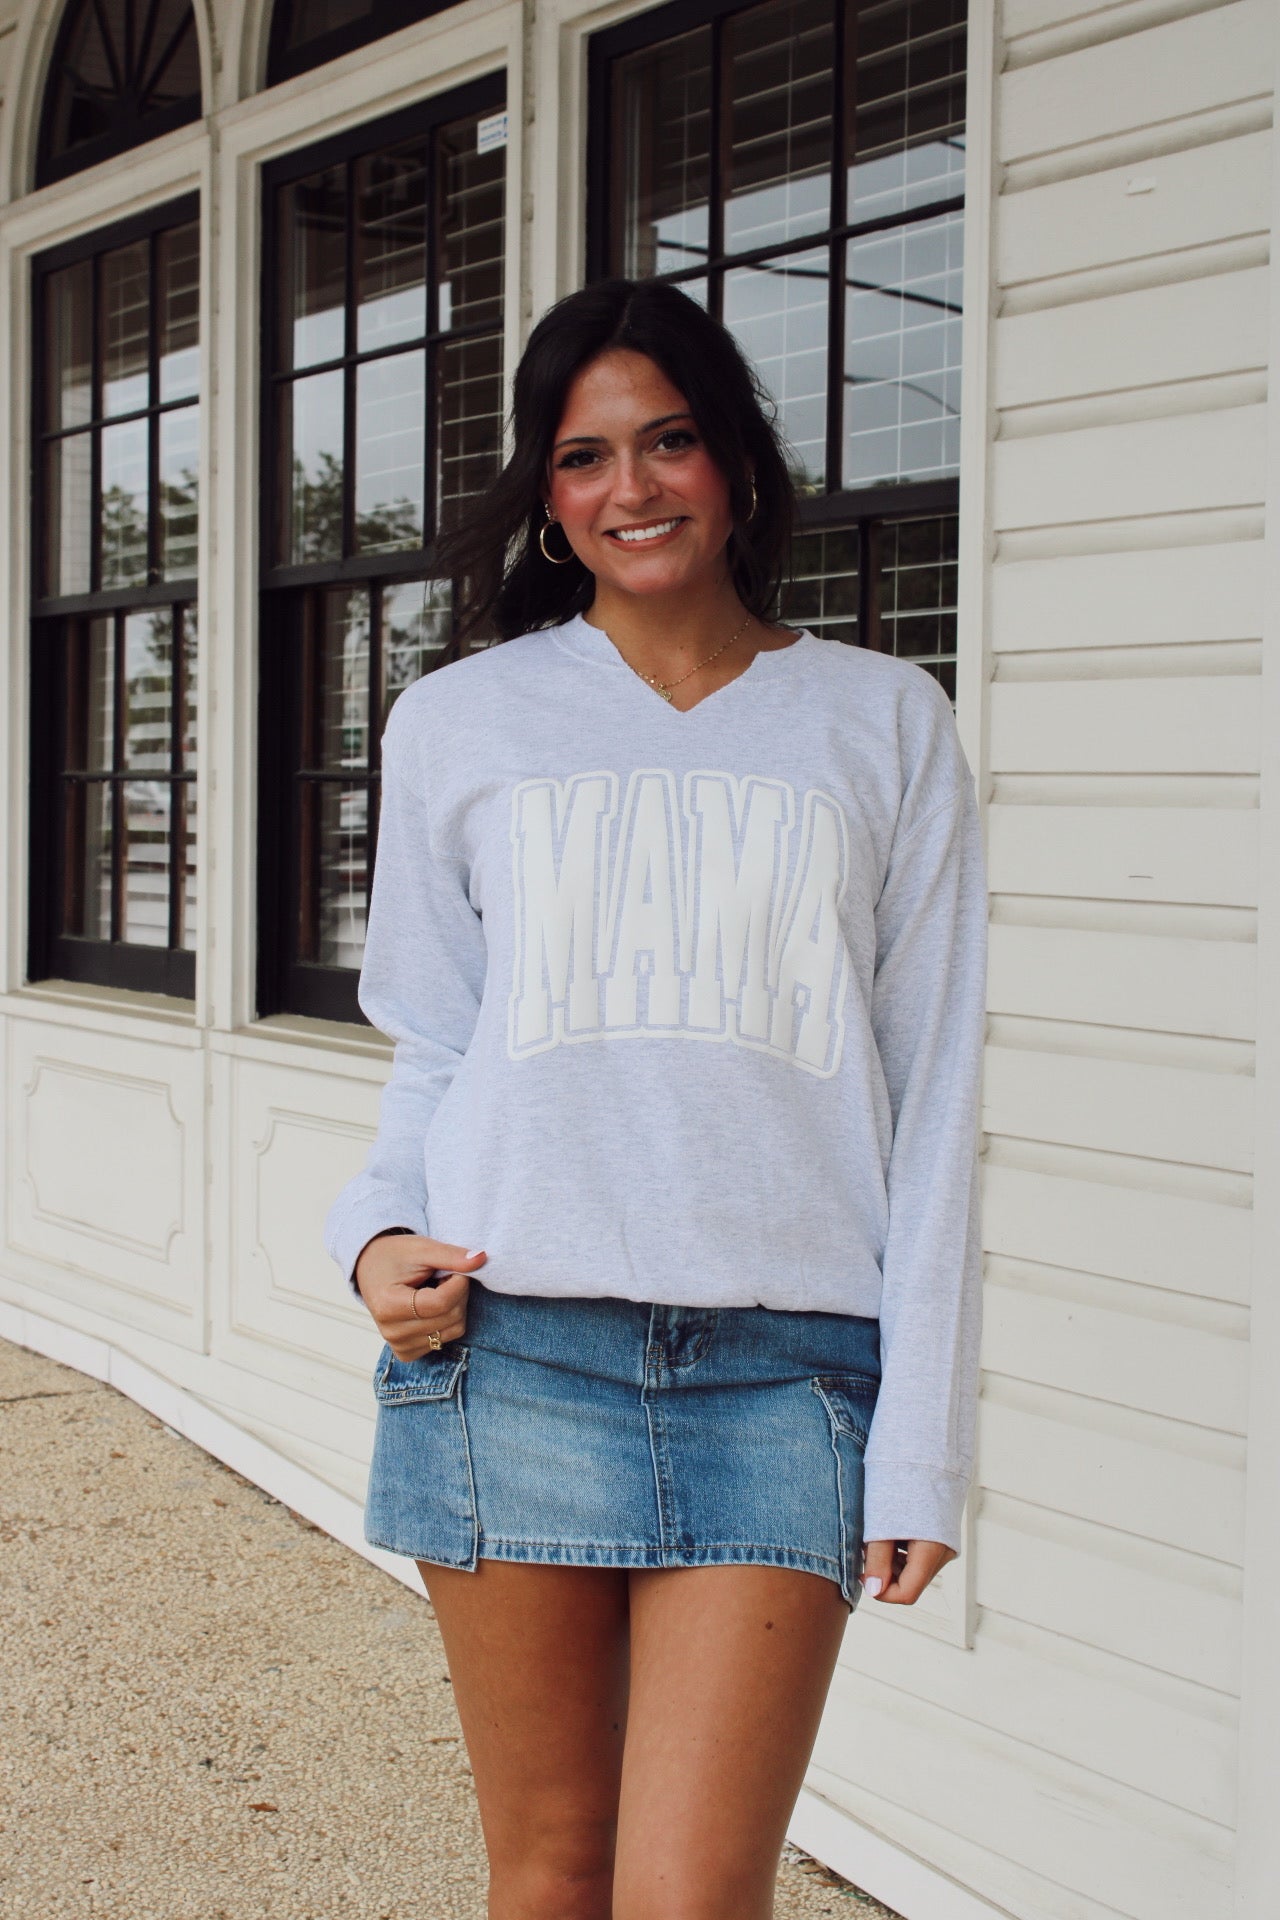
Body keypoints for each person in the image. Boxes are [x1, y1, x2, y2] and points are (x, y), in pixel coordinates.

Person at [324, 278, 988, 1920]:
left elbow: (935, 1095)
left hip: (788, 1376)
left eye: (669, 440)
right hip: (513, 1354)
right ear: (548, 501)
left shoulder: (882, 722)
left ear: (737, 465)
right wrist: (374, 1237)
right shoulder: (462, 721)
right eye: (583, 456)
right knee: (552, 1874)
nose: (632, 487)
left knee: (693, 1894)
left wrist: (923, 1445)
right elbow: (432, 1040)